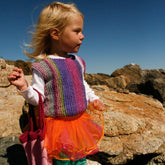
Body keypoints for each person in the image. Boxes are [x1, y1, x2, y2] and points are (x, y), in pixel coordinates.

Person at [8, 2, 104, 165]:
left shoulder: (78, 62)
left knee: (80, 159)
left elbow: (82, 84)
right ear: (55, 33)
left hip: (79, 123)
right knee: (63, 161)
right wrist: (24, 87)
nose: (82, 36)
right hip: (58, 128)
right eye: (77, 31)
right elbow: (37, 98)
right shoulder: (43, 66)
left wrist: (92, 98)